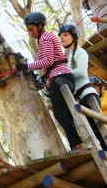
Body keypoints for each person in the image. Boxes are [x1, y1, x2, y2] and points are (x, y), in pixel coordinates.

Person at [18, 12, 84, 151]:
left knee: (60, 115)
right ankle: (77, 146)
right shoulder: (43, 40)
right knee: (64, 115)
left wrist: (27, 66)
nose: (30, 33)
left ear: (40, 25)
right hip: (60, 77)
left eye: (31, 29)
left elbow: (48, 61)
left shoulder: (46, 37)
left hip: (60, 77)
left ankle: (78, 147)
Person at [58, 24, 107, 150]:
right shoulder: (67, 59)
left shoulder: (80, 52)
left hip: (87, 94)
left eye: (65, 35)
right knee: (93, 131)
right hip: (78, 98)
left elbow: (81, 71)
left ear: (73, 37)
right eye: (60, 36)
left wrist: (63, 73)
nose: (62, 38)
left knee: (100, 127)